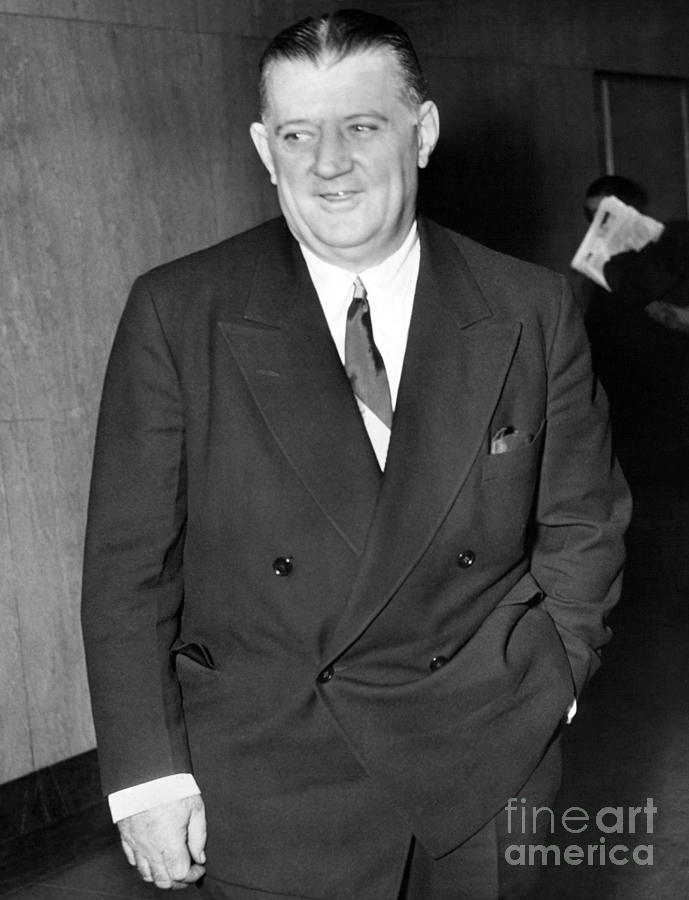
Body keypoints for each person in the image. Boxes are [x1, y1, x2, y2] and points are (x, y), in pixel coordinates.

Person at [81, 11, 630, 900]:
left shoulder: (528, 307)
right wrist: (148, 777)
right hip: (271, 784)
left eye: (362, 127)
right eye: (297, 133)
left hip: (484, 765)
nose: (327, 163)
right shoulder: (178, 312)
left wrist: (549, 683)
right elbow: (127, 567)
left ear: (422, 134)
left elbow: (585, 522)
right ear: (265, 148)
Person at [581, 175, 689, 486]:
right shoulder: (598, 278)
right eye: (593, 217)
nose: (600, 227)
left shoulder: (676, 241)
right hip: (630, 419)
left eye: (609, 215)